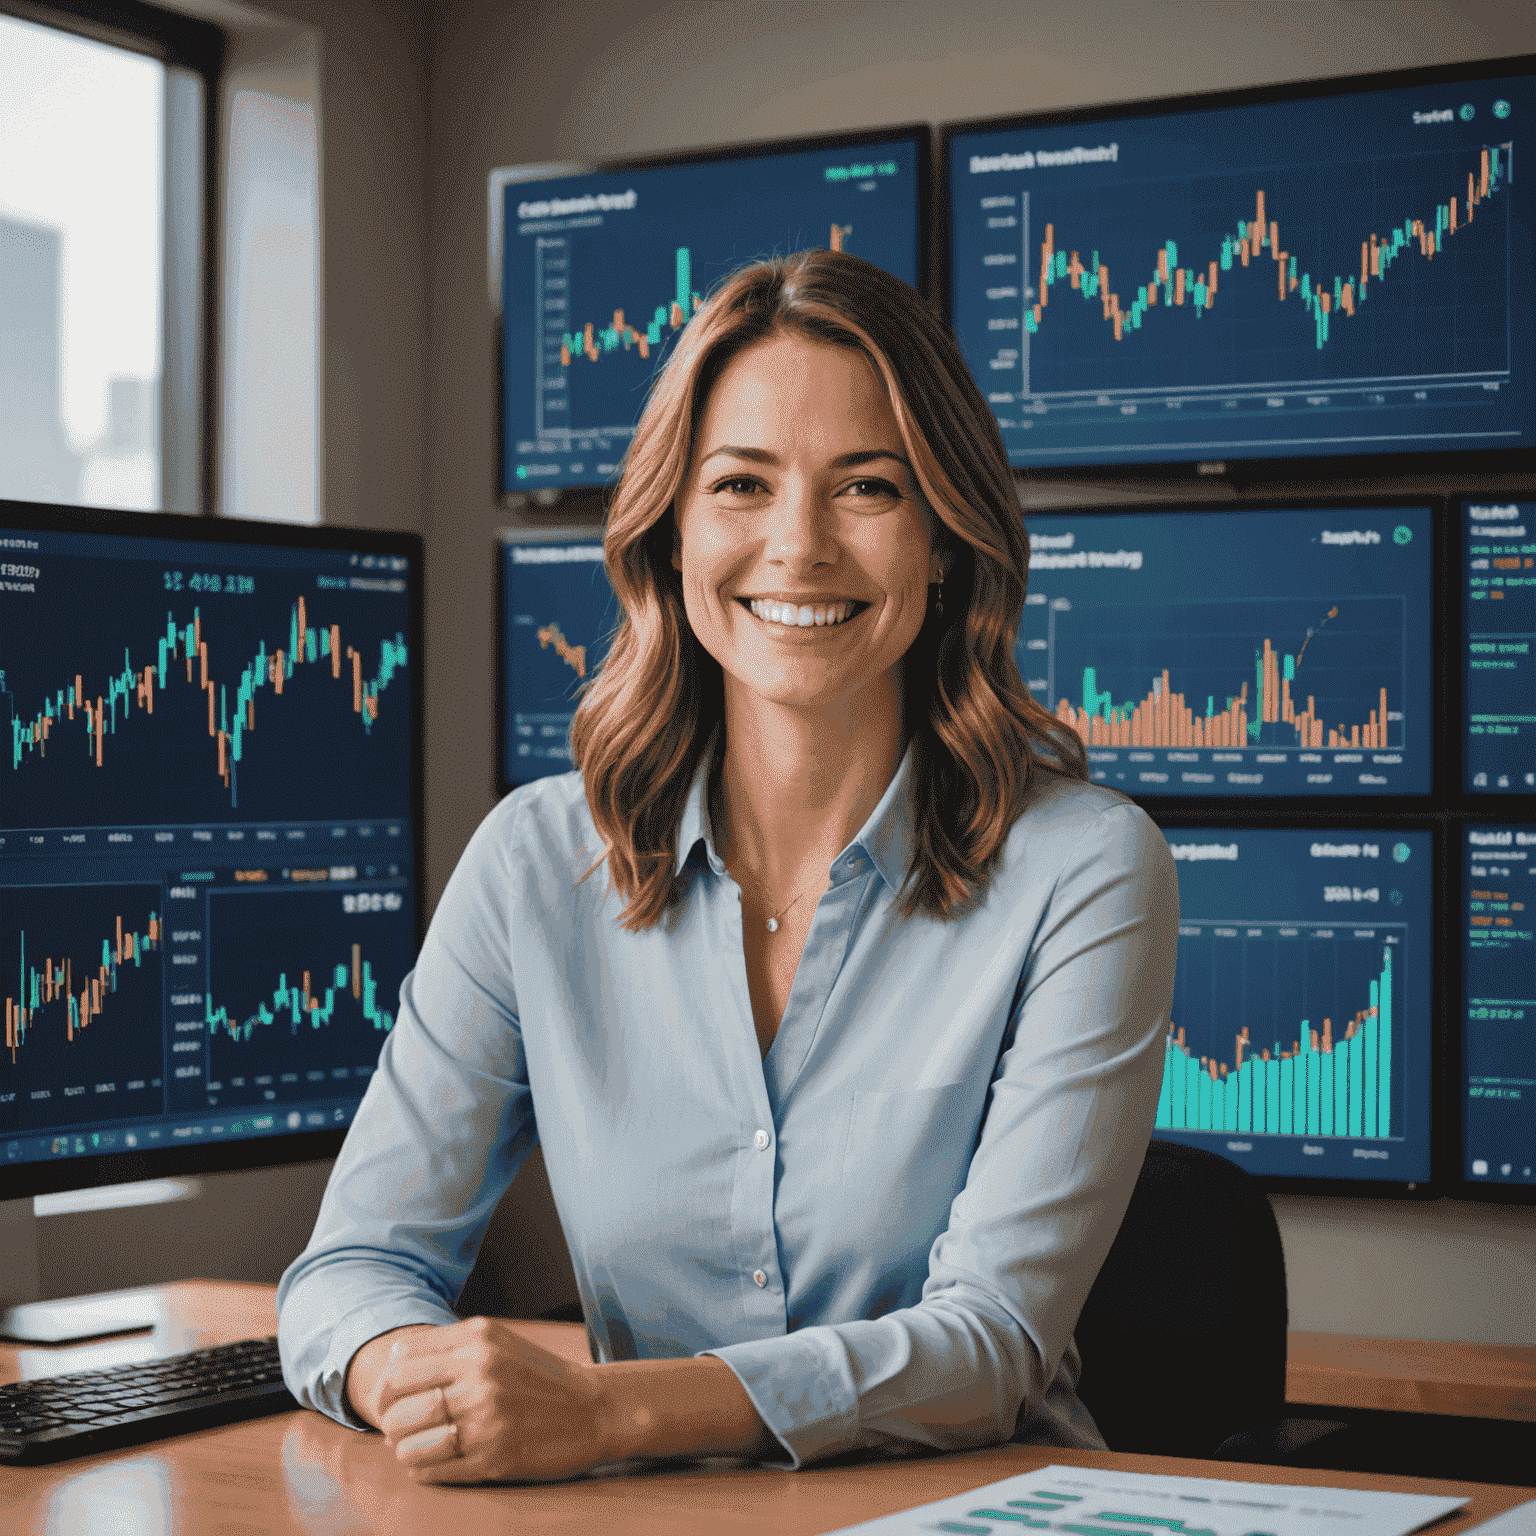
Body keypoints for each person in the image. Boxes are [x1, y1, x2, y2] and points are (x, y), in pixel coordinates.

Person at [276, 248, 1179, 1484]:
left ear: (946, 543)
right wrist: (417, 1381)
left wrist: (606, 1414)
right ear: (672, 534)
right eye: (741, 484)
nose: (797, 547)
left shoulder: (1084, 869)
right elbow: (351, 1269)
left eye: (868, 488)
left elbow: (992, 1343)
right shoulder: (536, 864)